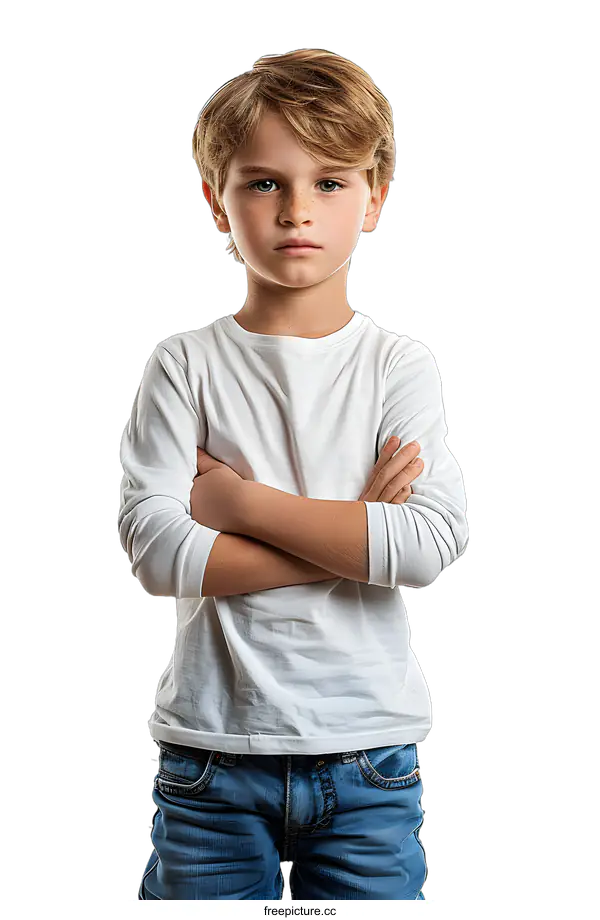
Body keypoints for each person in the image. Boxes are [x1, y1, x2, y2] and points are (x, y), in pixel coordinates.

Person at [119, 47, 468, 900]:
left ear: (375, 198)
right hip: (210, 754)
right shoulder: (184, 367)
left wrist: (238, 503)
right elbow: (156, 556)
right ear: (218, 200)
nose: (296, 210)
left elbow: (427, 543)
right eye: (265, 183)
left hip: (369, 752)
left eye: (330, 182)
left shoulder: (397, 367)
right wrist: (352, 536)